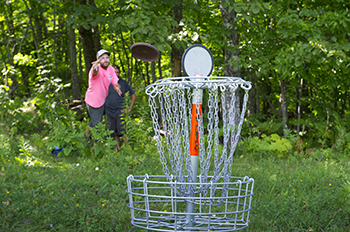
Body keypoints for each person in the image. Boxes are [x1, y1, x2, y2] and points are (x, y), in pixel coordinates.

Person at [85, 49, 122, 138]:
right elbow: (95, 71)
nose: (105, 60)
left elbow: (114, 81)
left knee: (96, 119)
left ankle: (86, 136)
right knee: (98, 125)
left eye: (107, 58)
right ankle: (97, 145)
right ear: (98, 60)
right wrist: (95, 67)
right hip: (93, 101)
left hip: (102, 100)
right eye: (102, 58)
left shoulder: (110, 69)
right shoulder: (95, 69)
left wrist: (116, 86)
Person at [105, 65, 137, 151]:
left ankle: (129, 150)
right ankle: (118, 150)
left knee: (122, 132)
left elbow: (133, 95)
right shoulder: (106, 82)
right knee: (113, 133)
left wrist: (129, 108)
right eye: (114, 72)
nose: (116, 74)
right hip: (109, 111)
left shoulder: (123, 83)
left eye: (117, 72)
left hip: (120, 111)